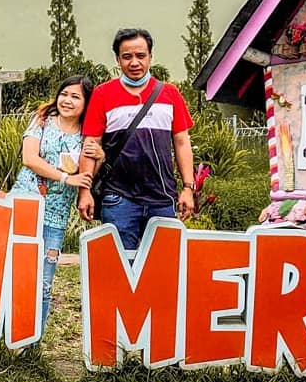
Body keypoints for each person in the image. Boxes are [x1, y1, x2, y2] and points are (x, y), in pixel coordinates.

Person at [76, 28, 195, 250]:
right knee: (120, 269)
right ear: (117, 60)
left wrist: (188, 188)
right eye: (127, 56)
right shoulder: (103, 95)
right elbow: (90, 146)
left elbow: (182, 142)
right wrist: (85, 191)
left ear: (151, 57)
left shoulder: (169, 94)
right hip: (119, 199)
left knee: (165, 266)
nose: (134, 62)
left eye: (141, 56)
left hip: (162, 197)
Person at [11, 75, 95, 327]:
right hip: (24, 207)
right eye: (64, 94)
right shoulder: (42, 120)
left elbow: (87, 174)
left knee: (44, 282)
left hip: (55, 217)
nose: (67, 101)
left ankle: (32, 344)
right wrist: (64, 178)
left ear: (86, 102)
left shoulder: (89, 135)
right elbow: (30, 158)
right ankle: (1, 334)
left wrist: (99, 156)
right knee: (12, 272)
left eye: (75, 96)